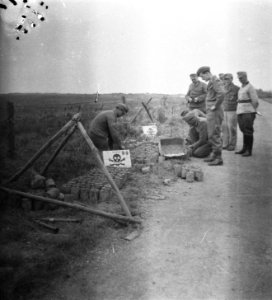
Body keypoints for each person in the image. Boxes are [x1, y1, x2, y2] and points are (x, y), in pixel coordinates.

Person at [196, 66, 226, 166]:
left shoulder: (215, 80)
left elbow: (221, 93)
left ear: (207, 73)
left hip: (215, 112)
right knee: (211, 134)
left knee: (214, 133)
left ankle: (218, 158)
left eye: (202, 76)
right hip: (211, 112)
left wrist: (215, 106)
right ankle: (214, 155)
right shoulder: (211, 82)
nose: (202, 79)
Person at [235, 71, 259, 157]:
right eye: (239, 78)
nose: (240, 80)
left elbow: (255, 101)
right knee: (243, 129)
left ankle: (249, 150)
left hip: (248, 112)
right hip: (240, 111)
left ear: (245, 77)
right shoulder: (242, 87)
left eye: (241, 78)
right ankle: (244, 148)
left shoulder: (250, 87)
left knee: (248, 130)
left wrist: (253, 111)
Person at [222, 73, 239, 151]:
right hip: (224, 110)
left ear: (232, 79)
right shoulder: (223, 88)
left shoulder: (236, 88)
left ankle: (232, 144)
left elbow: (239, 101)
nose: (226, 80)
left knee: (232, 128)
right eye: (225, 79)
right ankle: (225, 144)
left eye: (228, 79)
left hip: (232, 110)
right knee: (225, 128)